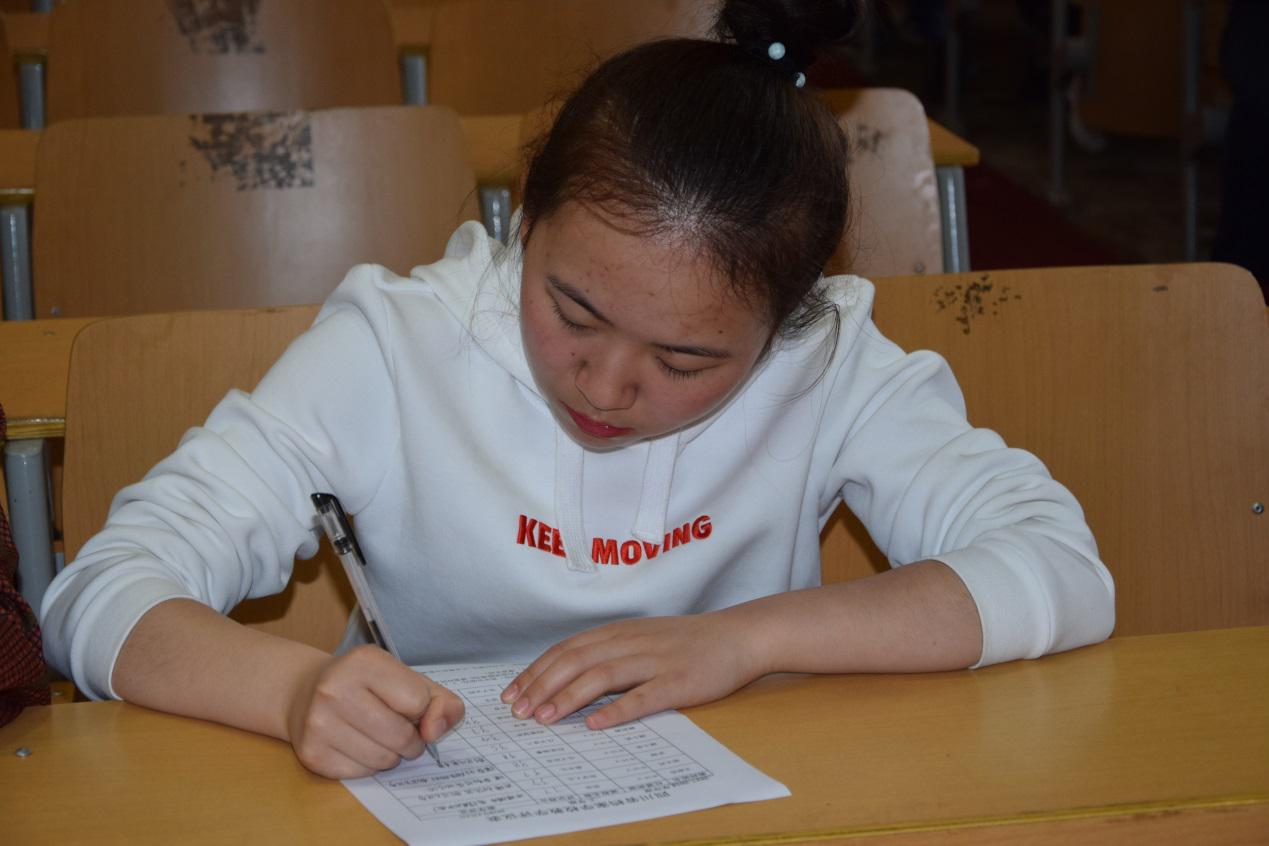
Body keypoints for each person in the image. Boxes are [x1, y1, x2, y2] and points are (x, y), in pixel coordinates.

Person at [41, 0, 1115, 780]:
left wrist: (746, 639)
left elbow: (1059, 570)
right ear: (523, 217)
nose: (605, 385)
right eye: (571, 310)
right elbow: (101, 591)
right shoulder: (397, 347)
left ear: (789, 321)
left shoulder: (829, 363)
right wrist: (288, 695)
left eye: (685, 362)